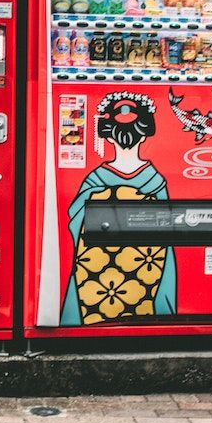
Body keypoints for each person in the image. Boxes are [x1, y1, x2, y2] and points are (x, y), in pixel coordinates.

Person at [60, 92, 177, 326]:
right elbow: (169, 235)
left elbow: (73, 220)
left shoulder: (94, 180)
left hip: (93, 287)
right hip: (146, 282)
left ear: (107, 136)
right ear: (145, 134)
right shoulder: (156, 181)